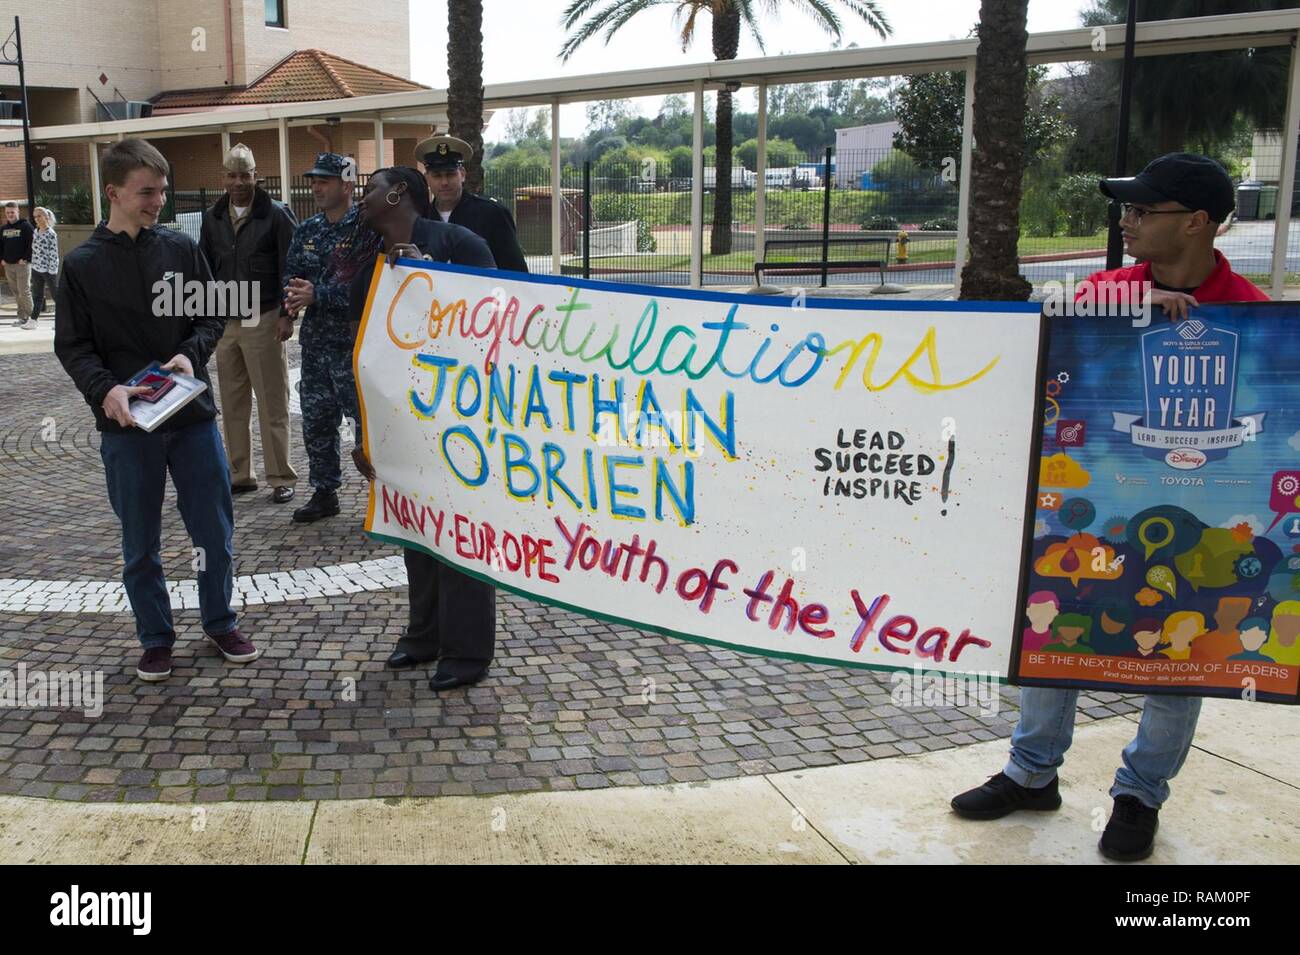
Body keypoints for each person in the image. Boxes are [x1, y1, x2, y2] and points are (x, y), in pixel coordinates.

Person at [951, 153, 1269, 863]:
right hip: (1090, 506)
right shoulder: (1107, 287)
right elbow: (1043, 321)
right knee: (1057, 624)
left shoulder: (1252, 312)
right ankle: (1031, 773)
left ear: (1195, 223)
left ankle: (1138, 794)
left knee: (1181, 650)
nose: (1125, 221)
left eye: (1140, 210)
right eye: (1125, 209)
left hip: (1204, 516)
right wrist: (1128, 305)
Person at [53, 138, 258, 682]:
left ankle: (219, 620)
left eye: (162, 191)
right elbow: (72, 346)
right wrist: (105, 391)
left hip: (190, 419)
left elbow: (212, 316)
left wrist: (190, 355)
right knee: (139, 542)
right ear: (113, 192)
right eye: (147, 192)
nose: (158, 202)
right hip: (127, 428)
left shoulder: (180, 250)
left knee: (214, 532)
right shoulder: (80, 266)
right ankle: (155, 637)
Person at [347, 166, 500, 694]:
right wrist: (367, 432)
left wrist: (434, 279)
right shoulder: (366, 259)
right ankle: (424, 636)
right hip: (403, 419)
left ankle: (468, 651)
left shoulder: (460, 243)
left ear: (396, 193)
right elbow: (365, 352)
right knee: (417, 530)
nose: (359, 198)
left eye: (368, 188)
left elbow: (499, 317)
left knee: (460, 536)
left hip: (461, 420)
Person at [200, 144, 300, 504]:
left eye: (245, 175)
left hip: (266, 317)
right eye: (232, 175)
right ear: (223, 178)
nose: (238, 182)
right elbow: (206, 271)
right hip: (226, 321)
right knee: (233, 403)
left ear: (257, 175)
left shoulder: (276, 215)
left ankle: (280, 476)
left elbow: (293, 266)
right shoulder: (213, 219)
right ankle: (240, 475)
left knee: (273, 402)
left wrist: (289, 315)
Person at [282, 152, 379, 523]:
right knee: (317, 422)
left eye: (324, 180)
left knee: (366, 425)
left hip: (354, 347)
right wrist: (287, 304)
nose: (316, 187)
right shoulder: (307, 229)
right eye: (314, 181)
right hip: (316, 346)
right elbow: (290, 273)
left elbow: (366, 286)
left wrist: (318, 294)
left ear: (348, 185)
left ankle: (382, 497)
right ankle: (325, 493)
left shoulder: (367, 230)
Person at [415, 134, 528, 273]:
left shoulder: (492, 214)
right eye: (437, 176)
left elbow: (515, 271)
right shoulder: (421, 219)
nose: (444, 182)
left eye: (450, 174)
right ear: (427, 178)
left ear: (462, 174)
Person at [1, 201, 34, 328]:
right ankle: (22, 318)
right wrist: (2, 259)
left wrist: (25, 258)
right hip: (8, 265)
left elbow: (32, 243)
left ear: (18, 212)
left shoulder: (25, 226)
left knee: (24, 291)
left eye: (12, 212)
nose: (10, 215)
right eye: (8, 212)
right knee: (16, 292)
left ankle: (32, 317)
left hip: (22, 265)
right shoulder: (3, 229)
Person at [30, 206, 60, 328]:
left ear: (46, 217)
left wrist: (52, 270)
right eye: (35, 216)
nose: (37, 219)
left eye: (39, 216)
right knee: (37, 295)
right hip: (36, 268)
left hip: (48, 270)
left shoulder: (51, 234)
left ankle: (62, 321)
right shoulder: (36, 232)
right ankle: (33, 320)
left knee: (55, 295)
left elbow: (53, 253)